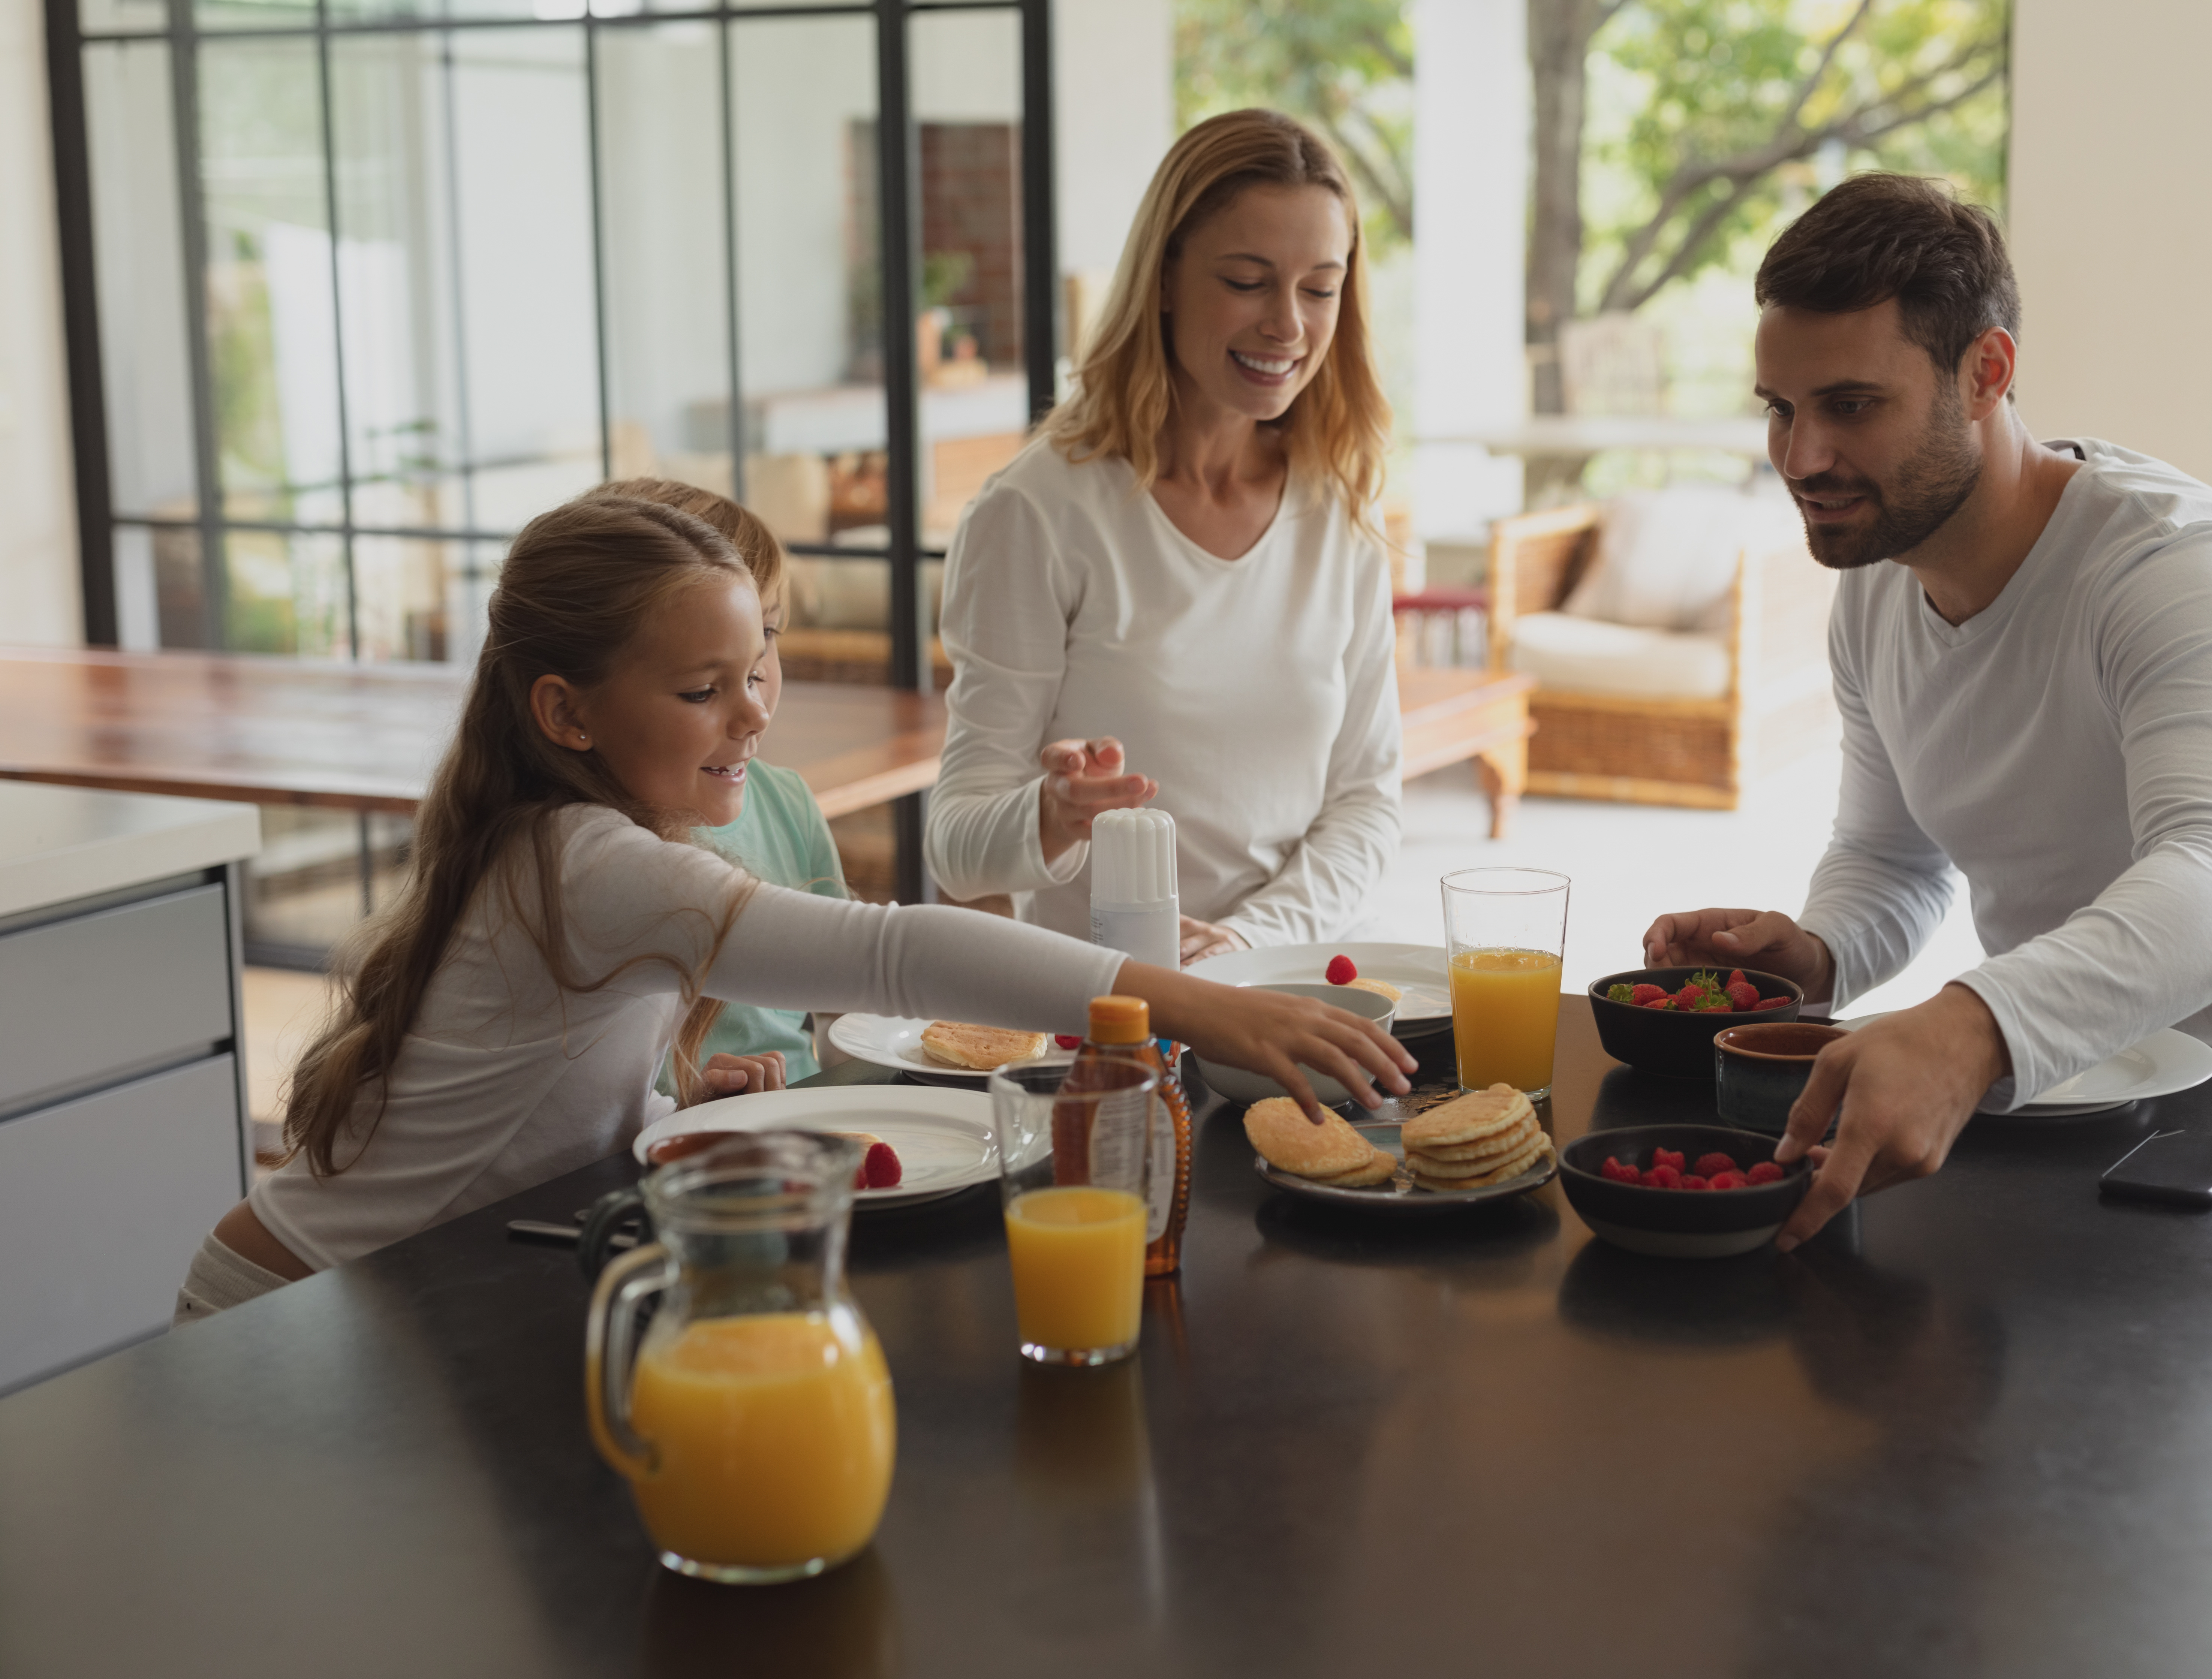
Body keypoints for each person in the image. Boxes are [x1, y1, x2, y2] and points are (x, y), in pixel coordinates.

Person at [175, 497, 1411, 1318]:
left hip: (361, 1292)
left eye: (755, 672)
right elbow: (896, 950)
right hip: (288, 1313)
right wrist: (1209, 1009)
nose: (754, 716)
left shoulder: (571, 847)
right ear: (568, 714)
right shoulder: (591, 862)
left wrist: (662, 1100)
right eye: (706, 689)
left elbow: (515, 1097)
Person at [1641, 173, 2212, 1251]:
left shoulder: (2174, 571)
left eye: (1852, 405)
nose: (1803, 459)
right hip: (2085, 1096)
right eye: (1782, 411)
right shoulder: (1879, 581)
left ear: (1987, 372)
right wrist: (1820, 953)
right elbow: (1892, 855)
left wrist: (1972, 1025)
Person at [926, 108, 1402, 963]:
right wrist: (1051, 813)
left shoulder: (1341, 507)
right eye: (1249, 280)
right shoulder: (1039, 512)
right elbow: (956, 844)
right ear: (1167, 277)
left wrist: (1247, 943)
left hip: (1300, 991)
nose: (1289, 325)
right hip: (1107, 1023)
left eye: (1319, 287)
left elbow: (1367, 803)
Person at [593, 477, 845, 1094]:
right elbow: (579, 1101)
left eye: (767, 640)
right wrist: (688, 1100)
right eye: (706, 681)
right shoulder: (590, 857)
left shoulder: (787, 803)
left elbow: (853, 994)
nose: (756, 703)